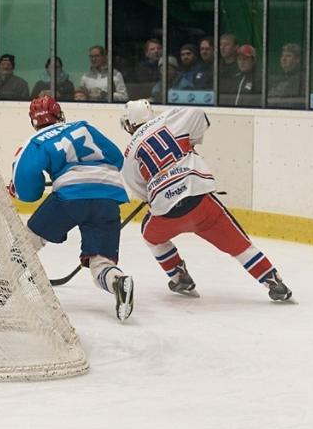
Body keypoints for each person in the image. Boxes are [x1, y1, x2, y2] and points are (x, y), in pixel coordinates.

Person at [119, 100, 292, 302]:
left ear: (130, 124)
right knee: (240, 245)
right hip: (199, 198)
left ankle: (179, 277)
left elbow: (144, 194)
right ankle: (273, 281)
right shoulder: (170, 118)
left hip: (167, 212)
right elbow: (199, 114)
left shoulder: (129, 154)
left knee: (151, 236)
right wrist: (190, 141)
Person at [0, 95, 134, 321]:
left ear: (34, 121)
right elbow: (116, 159)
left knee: (28, 240)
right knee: (101, 262)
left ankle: (3, 287)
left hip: (70, 197)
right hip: (108, 196)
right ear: (60, 113)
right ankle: (118, 282)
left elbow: (28, 190)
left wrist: (19, 189)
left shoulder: (35, 141)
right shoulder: (85, 127)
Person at [268, 42, 304, 109]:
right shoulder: (278, 77)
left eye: (288, 56)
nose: (283, 59)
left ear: (297, 59)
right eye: (282, 55)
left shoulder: (302, 79)